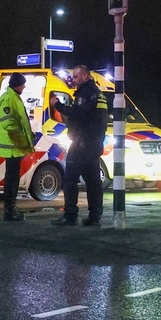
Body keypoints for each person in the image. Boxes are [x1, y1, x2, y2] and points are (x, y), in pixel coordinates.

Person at [48, 65, 109, 226]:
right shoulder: (99, 94)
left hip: (82, 143)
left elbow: (77, 113)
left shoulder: (86, 93)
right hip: (94, 143)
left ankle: (70, 215)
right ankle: (95, 216)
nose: (73, 80)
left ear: (84, 76)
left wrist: (58, 106)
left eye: (75, 77)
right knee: (93, 181)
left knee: (70, 179)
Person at [0, 72, 36, 222]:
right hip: (12, 147)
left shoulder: (13, 97)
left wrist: (28, 136)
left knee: (13, 179)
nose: (24, 86)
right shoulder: (9, 98)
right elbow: (9, 124)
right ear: (17, 84)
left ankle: (11, 208)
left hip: (14, 147)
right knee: (12, 180)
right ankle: (9, 210)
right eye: (23, 84)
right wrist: (21, 139)